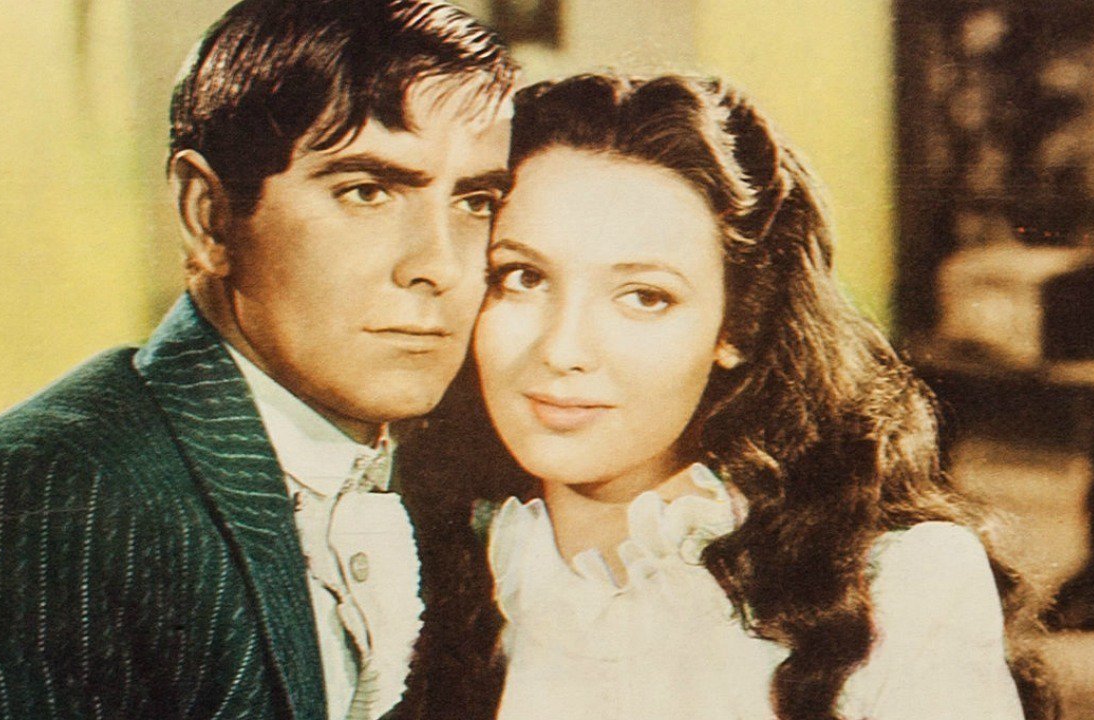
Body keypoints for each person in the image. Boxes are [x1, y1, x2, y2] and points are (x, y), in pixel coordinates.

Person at [0, 1, 514, 718]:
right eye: (367, 192)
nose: (440, 266)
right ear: (209, 217)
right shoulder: (28, 508)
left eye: (475, 202)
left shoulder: (453, 487)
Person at [400, 73, 1058, 720]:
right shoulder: (406, 559)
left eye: (645, 297)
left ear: (737, 326)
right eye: (522, 277)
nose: (562, 348)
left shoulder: (902, 582)